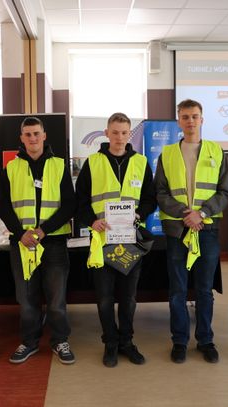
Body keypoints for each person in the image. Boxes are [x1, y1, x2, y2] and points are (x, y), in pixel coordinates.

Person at [76, 112, 156, 367]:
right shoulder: (93, 162)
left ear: (130, 134)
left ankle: (127, 342)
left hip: (130, 240)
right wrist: (92, 221)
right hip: (102, 241)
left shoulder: (141, 162)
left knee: (129, 298)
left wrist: (140, 213)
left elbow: (150, 198)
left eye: (124, 133)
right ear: (106, 133)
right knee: (104, 298)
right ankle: (110, 343)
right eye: (115, 132)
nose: (120, 137)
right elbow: (80, 202)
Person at [154, 99, 228, 364]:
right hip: (178, 230)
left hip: (207, 229)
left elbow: (224, 192)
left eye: (194, 116)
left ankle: (205, 340)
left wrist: (202, 213)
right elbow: (160, 193)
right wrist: (185, 214)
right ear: (178, 121)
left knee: (204, 290)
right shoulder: (167, 154)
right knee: (178, 290)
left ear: (202, 119)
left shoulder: (216, 151)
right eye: (185, 117)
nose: (190, 121)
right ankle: (179, 341)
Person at [0, 116, 77, 364]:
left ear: (44, 136)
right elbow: (3, 206)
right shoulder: (11, 168)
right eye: (28, 134)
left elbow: (70, 205)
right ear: (21, 138)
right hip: (22, 244)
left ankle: (60, 340)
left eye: (36, 133)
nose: (32, 138)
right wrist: (20, 233)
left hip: (53, 242)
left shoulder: (59, 165)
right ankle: (29, 342)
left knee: (56, 300)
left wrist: (43, 230)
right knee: (26, 299)